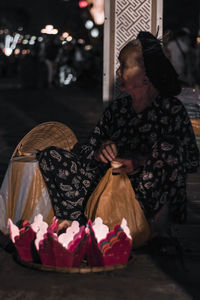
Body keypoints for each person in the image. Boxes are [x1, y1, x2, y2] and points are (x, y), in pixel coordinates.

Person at [37, 31, 199, 242]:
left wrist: (140, 163)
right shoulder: (117, 109)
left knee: (169, 147)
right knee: (51, 156)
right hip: (106, 192)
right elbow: (86, 150)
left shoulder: (171, 109)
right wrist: (100, 151)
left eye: (123, 65)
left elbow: (191, 159)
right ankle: (74, 222)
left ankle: (158, 231)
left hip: (144, 200)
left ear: (145, 75)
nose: (118, 70)